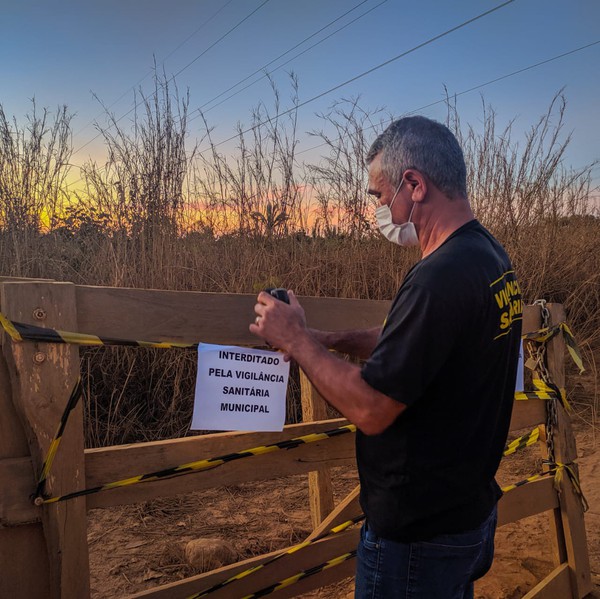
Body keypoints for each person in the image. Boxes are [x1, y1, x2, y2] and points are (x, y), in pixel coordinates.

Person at [250, 116, 522, 598]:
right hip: (466, 515)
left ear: (413, 184)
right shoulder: (489, 258)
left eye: (378, 195)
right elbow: (416, 342)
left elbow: (372, 410)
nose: (378, 208)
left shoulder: (437, 278)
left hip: (418, 535)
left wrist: (297, 343)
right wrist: (326, 338)